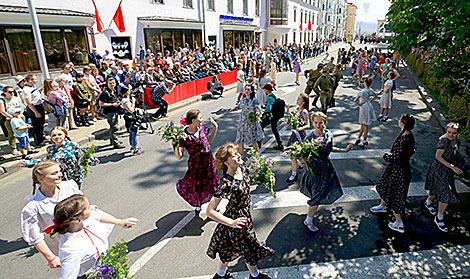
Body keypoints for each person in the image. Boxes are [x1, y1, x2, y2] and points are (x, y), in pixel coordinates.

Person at [206, 143, 274, 279]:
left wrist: (266, 179)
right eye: (233, 155)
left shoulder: (241, 168)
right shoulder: (226, 183)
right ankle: (255, 276)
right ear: (226, 162)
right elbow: (210, 211)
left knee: (227, 249)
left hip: (245, 217)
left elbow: (247, 182)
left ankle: (220, 275)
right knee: (249, 249)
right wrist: (231, 222)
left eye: (237, 153)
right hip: (238, 221)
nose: (238, 155)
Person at [49, 194, 137, 279]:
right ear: (76, 218)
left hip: (105, 268)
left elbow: (97, 215)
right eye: (87, 208)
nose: (92, 208)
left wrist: (118, 222)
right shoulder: (71, 248)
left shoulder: (81, 221)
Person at [21, 161, 82, 269]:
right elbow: (35, 236)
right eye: (54, 173)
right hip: (63, 249)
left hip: (84, 240)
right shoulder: (34, 207)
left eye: (59, 171)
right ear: (40, 179)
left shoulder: (69, 186)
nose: (60, 175)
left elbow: (83, 207)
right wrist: (51, 258)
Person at [299, 112, 353, 232]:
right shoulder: (310, 138)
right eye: (315, 122)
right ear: (312, 123)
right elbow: (302, 155)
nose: (318, 125)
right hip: (314, 169)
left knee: (320, 192)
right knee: (317, 194)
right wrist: (304, 161)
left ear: (324, 122)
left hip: (326, 168)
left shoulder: (328, 134)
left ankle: (309, 217)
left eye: (320, 122)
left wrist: (344, 150)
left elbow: (330, 148)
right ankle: (308, 220)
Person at [370, 114, 416, 233]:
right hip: (397, 169)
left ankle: (399, 223)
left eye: (400, 119)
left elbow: (396, 157)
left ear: (403, 123)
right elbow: (412, 151)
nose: (398, 120)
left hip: (399, 171)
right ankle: (383, 205)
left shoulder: (405, 137)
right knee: (384, 186)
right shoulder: (408, 135)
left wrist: (384, 155)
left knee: (396, 195)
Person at [22, 126, 99, 188]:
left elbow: (83, 157)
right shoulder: (51, 149)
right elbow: (47, 161)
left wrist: (90, 161)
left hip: (74, 178)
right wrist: (29, 163)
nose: (57, 137)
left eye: (59, 134)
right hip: (59, 178)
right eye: (54, 135)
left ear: (65, 135)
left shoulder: (72, 145)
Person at [173, 109, 219, 213]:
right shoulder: (183, 135)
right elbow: (179, 156)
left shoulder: (202, 128)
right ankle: (198, 204)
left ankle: (213, 206)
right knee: (197, 185)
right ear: (193, 120)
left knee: (213, 183)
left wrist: (215, 128)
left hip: (209, 162)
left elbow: (210, 140)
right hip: (196, 165)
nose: (202, 120)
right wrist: (175, 145)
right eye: (200, 118)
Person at [424, 122, 464, 232]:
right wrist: (453, 167)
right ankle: (439, 217)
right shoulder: (444, 141)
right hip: (439, 169)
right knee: (446, 192)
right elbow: (438, 157)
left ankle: (428, 202)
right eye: (449, 132)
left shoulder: (457, 142)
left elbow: (456, 154)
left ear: (458, 134)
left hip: (448, 170)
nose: (451, 135)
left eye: (454, 133)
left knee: (437, 189)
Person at [227, 84, 264, 155]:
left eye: (248, 90)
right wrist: (233, 108)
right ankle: (241, 155)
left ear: (251, 91)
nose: (246, 91)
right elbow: (239, 105)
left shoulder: (254, 100)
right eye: (245, 89)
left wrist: (253, 119)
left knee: (252, 140)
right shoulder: (243, 99)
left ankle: (257, 155)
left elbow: (258, 111)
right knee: (239, 140)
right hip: (242, 123)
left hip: (250, 123)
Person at [286, 93, 310, 183]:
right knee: (293, 154)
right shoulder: (297, 109)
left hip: (300, 135)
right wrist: (289, 113)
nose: (297, 100)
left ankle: (302, 167)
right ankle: (294, 173)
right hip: (294, 134)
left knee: (299, 155)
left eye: (299, 99)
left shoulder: (304, 112)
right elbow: (295, 120)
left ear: (303, 102)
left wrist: (299, 128)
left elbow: (308, 125)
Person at [98, 77, 125, 149]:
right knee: (114, 127)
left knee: (114, 126)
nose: (112, 84)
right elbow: (101, 103)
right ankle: (116, 143)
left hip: (114, 111)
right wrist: (112, 105)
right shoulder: (105, 93)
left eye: (113, 83)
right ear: (107, 84)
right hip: (109, 112)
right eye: (110, 83)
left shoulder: (114, 91)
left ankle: (113, 140)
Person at [353, 78, 378, 148]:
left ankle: (363, 139)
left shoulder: (362, 92)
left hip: (363, 107)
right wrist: (370, 100)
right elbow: (376, 96)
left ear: (365, 83)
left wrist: (359, 104)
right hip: (368, 105)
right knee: (364, 123)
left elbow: (355, 100)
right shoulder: (371, 90)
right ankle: (359, 138)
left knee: (364, 123)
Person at [0, 86, 24, 155]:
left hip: (19, 117)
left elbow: (21, 107)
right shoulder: (2, 100)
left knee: (22, 132)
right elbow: (2, 111)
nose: (12, 93)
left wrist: (20, 115)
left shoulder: (16, 98)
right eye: (10, 92)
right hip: (9, 119)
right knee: (11, 134)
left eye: (13, 91)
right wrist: (11, 117)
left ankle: (24, 146)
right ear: (5, 93)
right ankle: (14, 148)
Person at [23, 74, 45, 146]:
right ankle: (38, 140)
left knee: (41, 123)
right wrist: (36, 112)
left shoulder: (33, 87)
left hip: (39, 105)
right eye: (35, 79)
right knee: (36, 124)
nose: (37, 80)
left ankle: (41, 137)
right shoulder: (26, 89)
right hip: (34, 107)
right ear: (30, 80)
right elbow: (29, 102)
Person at [121, 87, 144, 155]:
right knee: (134, 133)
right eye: (128, 90)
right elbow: (131, 110)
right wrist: (133, 101)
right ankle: (135, 149)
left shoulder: (125, 99)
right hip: (131, 119)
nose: (130, 91)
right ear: (126, 92)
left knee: (131, 133)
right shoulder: (126, 101)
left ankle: (132, 147)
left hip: (129, 119)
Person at [260, 84, 284, 150]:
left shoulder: (269, 98)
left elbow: (269, 108)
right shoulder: (273, 96)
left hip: (272, 116)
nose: (264, 90)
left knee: (261, 125)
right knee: (274, 128)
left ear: (267, 90)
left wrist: (263, 111)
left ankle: (259, 141)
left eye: (265, 89)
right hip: (276, 115)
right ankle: (280, 143)